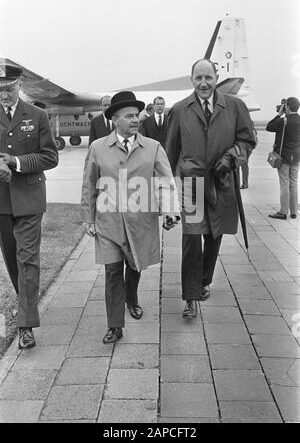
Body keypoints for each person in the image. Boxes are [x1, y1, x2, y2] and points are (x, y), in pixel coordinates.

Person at [81, 91, 180, 344]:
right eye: (128, 116)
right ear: (115, 120)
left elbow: (166, 181)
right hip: (109, 223)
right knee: (113, 271)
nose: (135, 120)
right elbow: (89, 185)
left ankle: (132, 298)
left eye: (136, 115)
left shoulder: (153, 147)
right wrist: (88, 218)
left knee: (135, 265)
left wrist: (170, 210)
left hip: (141, 221)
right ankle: (115, 325)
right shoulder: (98, 148)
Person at [165, 58, 256, 318]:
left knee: (214, 235)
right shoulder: (180, 110)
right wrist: (166, 195)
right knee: (192, 238)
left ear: (217, 78)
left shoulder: (236, 106)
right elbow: (169, 154)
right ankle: (191, 297)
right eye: (198, 78)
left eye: (208, 78)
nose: (203, 83)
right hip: (191, 185)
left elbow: (247, 140)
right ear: (191, 80)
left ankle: (204, 281)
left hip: (221, 182)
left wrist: (230, 157)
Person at [0, 62, 59, 348]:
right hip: (1, 202)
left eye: (9, 89)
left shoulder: (37, 115)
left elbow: (50, 157)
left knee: (28, 260)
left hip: (30, 199)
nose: (4, 94)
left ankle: (26, 325)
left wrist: (16, 162)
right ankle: (26, 302)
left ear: (19, 86)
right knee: (12, 262)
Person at [267, 97, 300, 220]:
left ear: (287, 107)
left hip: (284, 157)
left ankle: (283, 211)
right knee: (294, 183)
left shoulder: (284, 121)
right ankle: (294, 212)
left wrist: (278, 114)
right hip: (296, 157)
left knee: (284, 184)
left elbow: (269, 127)